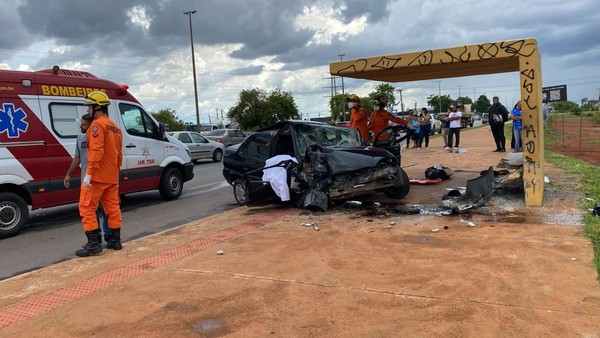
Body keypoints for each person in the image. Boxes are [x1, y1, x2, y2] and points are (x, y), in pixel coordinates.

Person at [75, 91, 123, 257]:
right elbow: (119, 154)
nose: (88, 110)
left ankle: (94, 244)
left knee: (86, 207)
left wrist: (88, 173)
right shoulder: (116, 128)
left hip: (97, 176)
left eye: (89, 107)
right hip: (111, 176)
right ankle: (115, 241)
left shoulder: (96, 126)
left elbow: (96, 150)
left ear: (97, 107)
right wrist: (115, 172)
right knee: (113, 208)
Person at [64, 115, 111, 243]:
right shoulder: (80, 139)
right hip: (87, 180)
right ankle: (96, 237)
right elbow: (77, 158)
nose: (81, 126)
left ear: (92, 125)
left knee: (107, 209)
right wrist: (68, 173)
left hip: (101, 179)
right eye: (81, 124)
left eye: (84, 124)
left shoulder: (100, 137)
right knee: (91, 211)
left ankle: (109, 235)